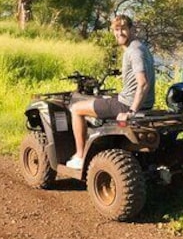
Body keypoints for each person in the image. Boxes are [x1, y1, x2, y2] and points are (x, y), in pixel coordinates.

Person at [65, 14, 155, 170]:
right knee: (105, 98)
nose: (119, 33)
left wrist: (131, 111)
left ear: (132, 29)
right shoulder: (141, 47)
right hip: (144, 104)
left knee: (76, 109)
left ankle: (79, 156)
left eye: (123, 29)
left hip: (127, 105)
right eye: (116, 29)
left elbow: (143, 83)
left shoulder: (133, 51)